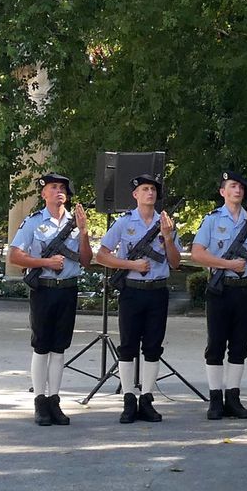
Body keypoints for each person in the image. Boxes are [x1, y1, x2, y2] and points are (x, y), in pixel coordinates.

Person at [95, 174, 180, 424]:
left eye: (153, 189)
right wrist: (130, 263)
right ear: (135, 195)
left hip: (157, 291)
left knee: (153, 346)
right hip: (132, 290)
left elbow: (174, 262)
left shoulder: (165, 223)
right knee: (128, 346)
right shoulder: (124, 223)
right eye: (144, 189)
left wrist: (166, 236)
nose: (150, 193)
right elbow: (102, 255)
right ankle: (129, 398)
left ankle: (147, 398)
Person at [9, 173, 92, 426]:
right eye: (53, 187)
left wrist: (85, 232)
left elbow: (87, 260)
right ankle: (40, 401)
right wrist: (45, 262)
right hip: (44, 289)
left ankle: (55, 399)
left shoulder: (75, 223)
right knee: (42, 346)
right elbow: (15, 256)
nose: (59, 191)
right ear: (43, 194)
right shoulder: (34, 222)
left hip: (67, 288)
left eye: (63, 188)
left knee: (59, 348)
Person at [190, 171, 247, 420]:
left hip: (244, 289)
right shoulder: (212, 219)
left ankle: (233, 398)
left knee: (239, 346)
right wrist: (227, 264)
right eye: (233, 186)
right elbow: (198, 254)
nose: (238, 190)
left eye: (241, 187)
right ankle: (215, 399)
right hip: (220, 289)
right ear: (223, 192)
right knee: (215, 345)